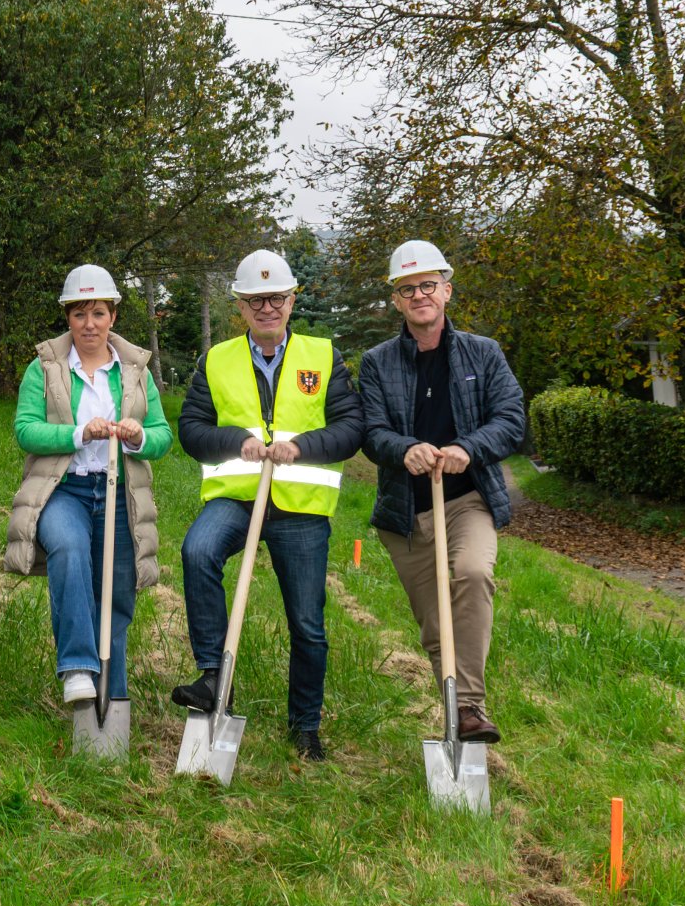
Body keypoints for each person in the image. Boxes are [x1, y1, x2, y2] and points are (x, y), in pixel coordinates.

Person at [171, 250, 365, 762]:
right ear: (240, 305)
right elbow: (191, 430)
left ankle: (305, 726)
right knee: (197, 551)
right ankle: (214, 678)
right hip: (237, 498)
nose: (266, 308)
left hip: (300, 507)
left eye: (276, 298)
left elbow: (351, 429)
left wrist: (301, 447)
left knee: (307, 623)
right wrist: (236, 441)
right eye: (255, 300)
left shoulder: (324, 357)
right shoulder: (215, 360)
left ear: (292, 300)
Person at [359, 240, 526, 744]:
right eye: (408, 289)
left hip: (468, 499)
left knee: (473, 573)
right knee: (436, 625)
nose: (420, 296)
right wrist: (404, 448)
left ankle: (470, 709)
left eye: (428, 285)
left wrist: (468, 448)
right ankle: (456, 713)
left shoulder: (483, 352)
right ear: (396, 300)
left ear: (447, 291)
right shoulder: (377, 362)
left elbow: (511, 420)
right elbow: (371, 431)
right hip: (406, 512)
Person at [3, 265, 170, 708]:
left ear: (113, 316)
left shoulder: (135, 370)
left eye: (98, 313)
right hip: (64, 491)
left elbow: (162, 435)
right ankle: (78, 666)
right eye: (79, 314)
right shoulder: (44, 368)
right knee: (70, 548)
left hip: (119, 493)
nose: (89, 324)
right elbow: (25, 430)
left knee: (115, 594)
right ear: (68, 318)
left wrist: (139, 436)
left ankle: (110, 699)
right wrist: (79, 433)